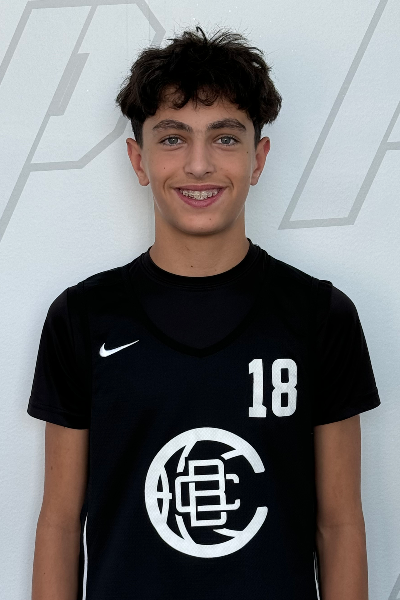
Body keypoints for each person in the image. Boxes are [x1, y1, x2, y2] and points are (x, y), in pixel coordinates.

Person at [27, 25, 381, 600]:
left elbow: (339, 524)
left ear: (258, 158)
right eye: (172, 138)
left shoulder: (320, 315)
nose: (198, 165)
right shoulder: (82, 317)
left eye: (225, 137)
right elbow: (61, 524)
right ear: (138, 159)